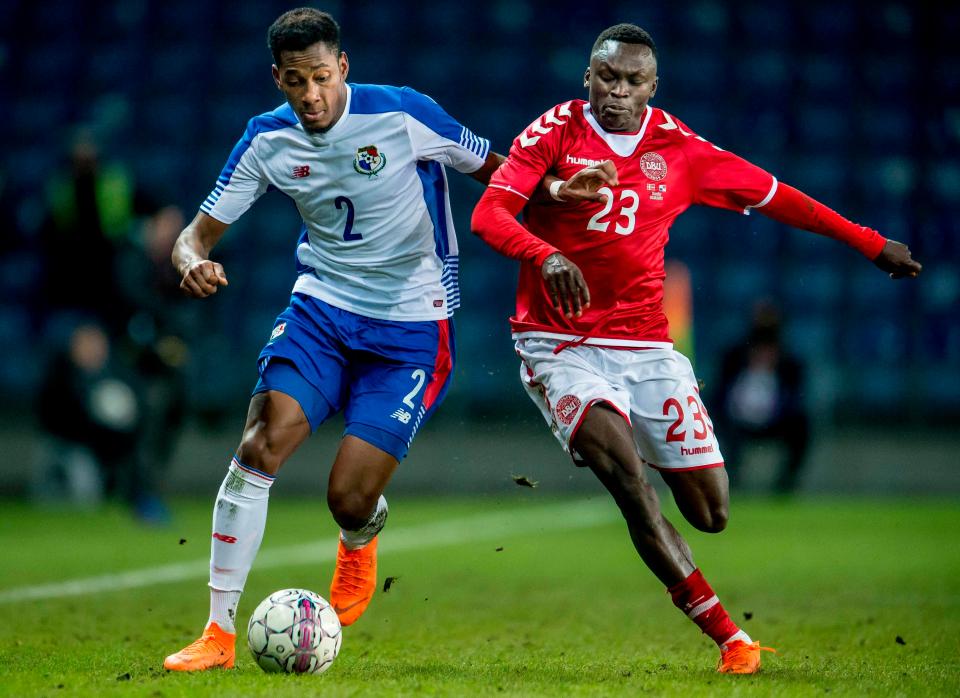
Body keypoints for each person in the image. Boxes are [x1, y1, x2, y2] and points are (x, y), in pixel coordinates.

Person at [471, 23, 921, 674]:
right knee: (632, 487)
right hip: (560, 344)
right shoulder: (554, 133)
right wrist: (545, 255)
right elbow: (491, 214)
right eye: (606, 77)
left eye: (631, 81)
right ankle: (730, 638)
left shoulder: (677, 149)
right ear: (587, 78)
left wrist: (872, 244)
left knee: (712, 513)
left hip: (647, 348)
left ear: (652, 87)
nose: (616, 92)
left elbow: (780, 198)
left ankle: (633, 445)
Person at [162, 8, 504, 672]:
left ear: (342, 68)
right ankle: (218, 634)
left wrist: (560, 204)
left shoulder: (403, 114)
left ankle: (359, 534)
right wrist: (190, 263)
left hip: (411, 325)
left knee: (347, 495)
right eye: (296, 81)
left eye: (321, 76)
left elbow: (496, 168)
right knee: (262, 440)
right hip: (323, 308)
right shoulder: (267, 140)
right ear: (278, 80)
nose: (311, 94)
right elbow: (193, 236)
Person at [714, 301, 810, 493]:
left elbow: (795, 398)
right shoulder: (734, 356)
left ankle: (785, 484)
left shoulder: (789, 363)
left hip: (775, 420)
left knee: (802, 426)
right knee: (726, 431)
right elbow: (720, 392)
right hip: (737, 420)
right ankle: (731, 482)